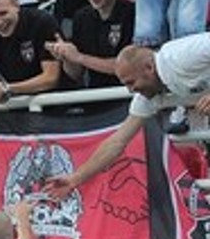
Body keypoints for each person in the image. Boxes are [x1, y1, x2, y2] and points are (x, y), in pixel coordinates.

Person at [46, 32, 210, 198]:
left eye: (131, 82)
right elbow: (116, 142)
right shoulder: (147, 95)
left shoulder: (179, 56)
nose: (131, 90)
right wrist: (74, 179)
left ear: (149, 68)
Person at [0, 0, 63, 104]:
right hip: (18, 101)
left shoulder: (41, 22)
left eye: (3, 13)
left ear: (16, 6)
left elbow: (51, 79)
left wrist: (7, 88)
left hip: (57, 99)